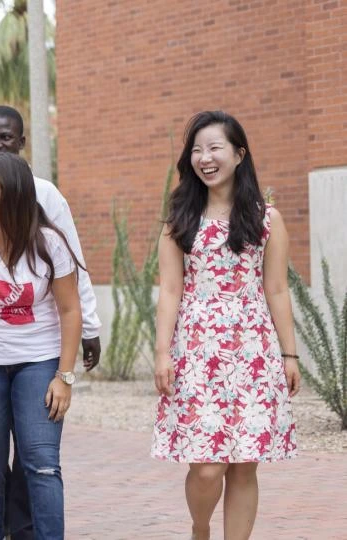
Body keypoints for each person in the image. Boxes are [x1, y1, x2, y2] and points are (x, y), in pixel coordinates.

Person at [0, 106, 101, 539]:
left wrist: (65, 377)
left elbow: (70, 310)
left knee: (42, 463)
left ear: (9, 187)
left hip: (39, 362)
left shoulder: (49, 244)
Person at [151, 110, 299, 540]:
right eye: (196, 150)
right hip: (197, 351)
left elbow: (276, 290)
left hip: (255, 350)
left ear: (239, 154)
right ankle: (201, 528)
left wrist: (289, 354)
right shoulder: (179, 219)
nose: (204, 157)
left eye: (214, 148)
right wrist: (163, 353)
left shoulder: (266, 218)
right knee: (207, 466)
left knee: (244, 462)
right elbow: (171, 292)